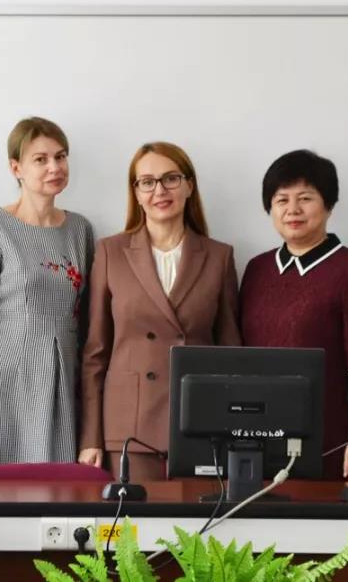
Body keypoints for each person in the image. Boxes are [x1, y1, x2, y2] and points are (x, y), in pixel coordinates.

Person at [79, 142, 241, 480]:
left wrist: (233, 428)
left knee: (197, 516)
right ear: (136, 193)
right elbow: (95, 353)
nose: (160, 190)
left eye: (170, 178)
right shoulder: (111, 252)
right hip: (129, 426)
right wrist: (91, 437)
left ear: (189, 185)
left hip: (199, 420)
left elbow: (231, 355)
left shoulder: (219, 256)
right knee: (133, 516)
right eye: (147, 182)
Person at [239, 150, 348, 482]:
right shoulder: (257, 269)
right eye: (282, 200)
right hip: (258, 432)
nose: (293, 209)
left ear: (329, 205)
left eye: (305, 198)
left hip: (329, 434)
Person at [0, 117, 94, 465]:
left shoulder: (80, 229)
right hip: (6, 382)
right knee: (1, 488)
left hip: (64, 383)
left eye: (60, 157)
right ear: (16, 168)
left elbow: (86, 322)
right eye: (41, 159)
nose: (54, 167)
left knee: (60, 490)